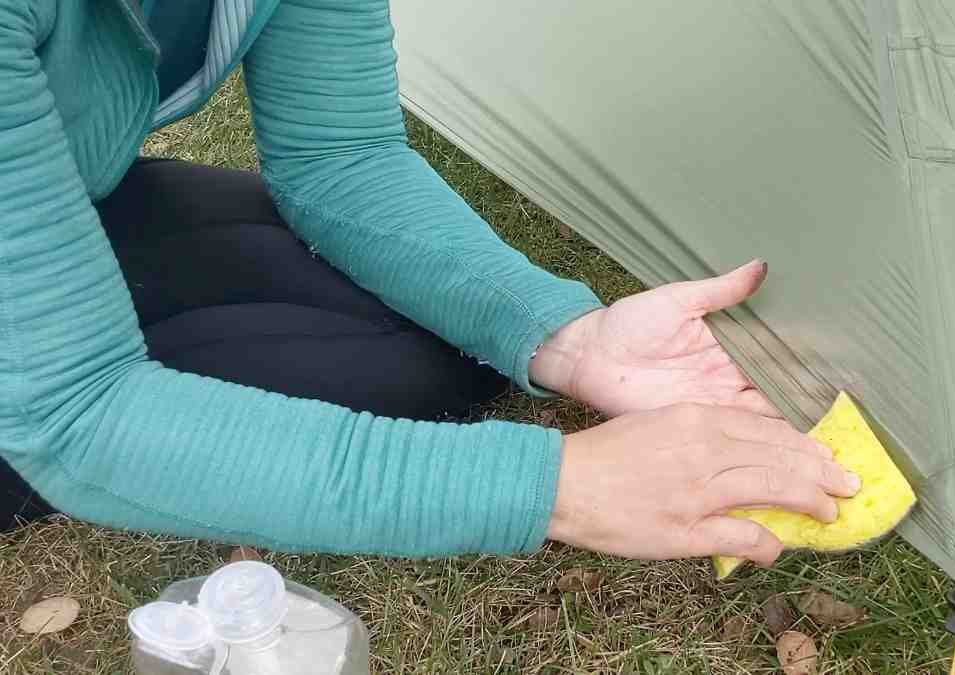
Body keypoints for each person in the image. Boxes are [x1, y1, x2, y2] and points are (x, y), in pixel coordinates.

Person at [0, 0, 859, 569]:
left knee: (439, 354)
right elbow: (76, 411)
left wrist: (567, 335)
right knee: (95, 416)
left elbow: (341, 156)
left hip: (65, 196)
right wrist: (557, 486)